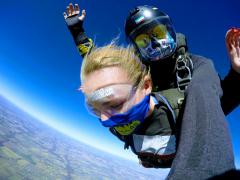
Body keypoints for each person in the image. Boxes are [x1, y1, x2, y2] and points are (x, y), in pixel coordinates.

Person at [80, 43, 237, 179]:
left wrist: (237, 74)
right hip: (155, 161)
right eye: (95, 109)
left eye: (115, 104)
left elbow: (216, 106)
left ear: (146, 86)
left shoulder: (181, 108)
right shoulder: (118, 123)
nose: (105, 120)